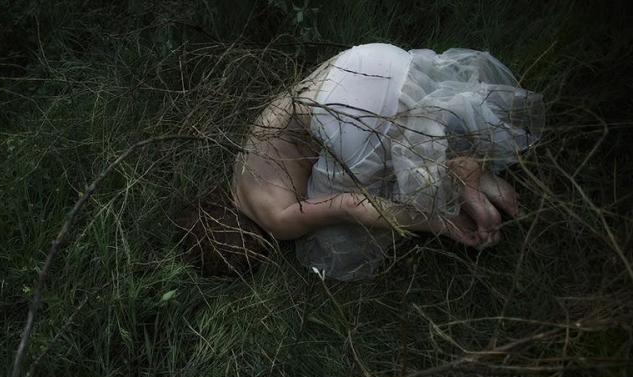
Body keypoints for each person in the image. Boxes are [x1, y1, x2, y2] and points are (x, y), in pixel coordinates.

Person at [231, 43, 544, 280]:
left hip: (347, 117)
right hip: (368, 62)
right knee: (380, 142)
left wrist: (436, 222)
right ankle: (456, 163)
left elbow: (349, 205)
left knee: (331, 251)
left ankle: (449, 185)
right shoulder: (238, 165)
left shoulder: (272, 218)